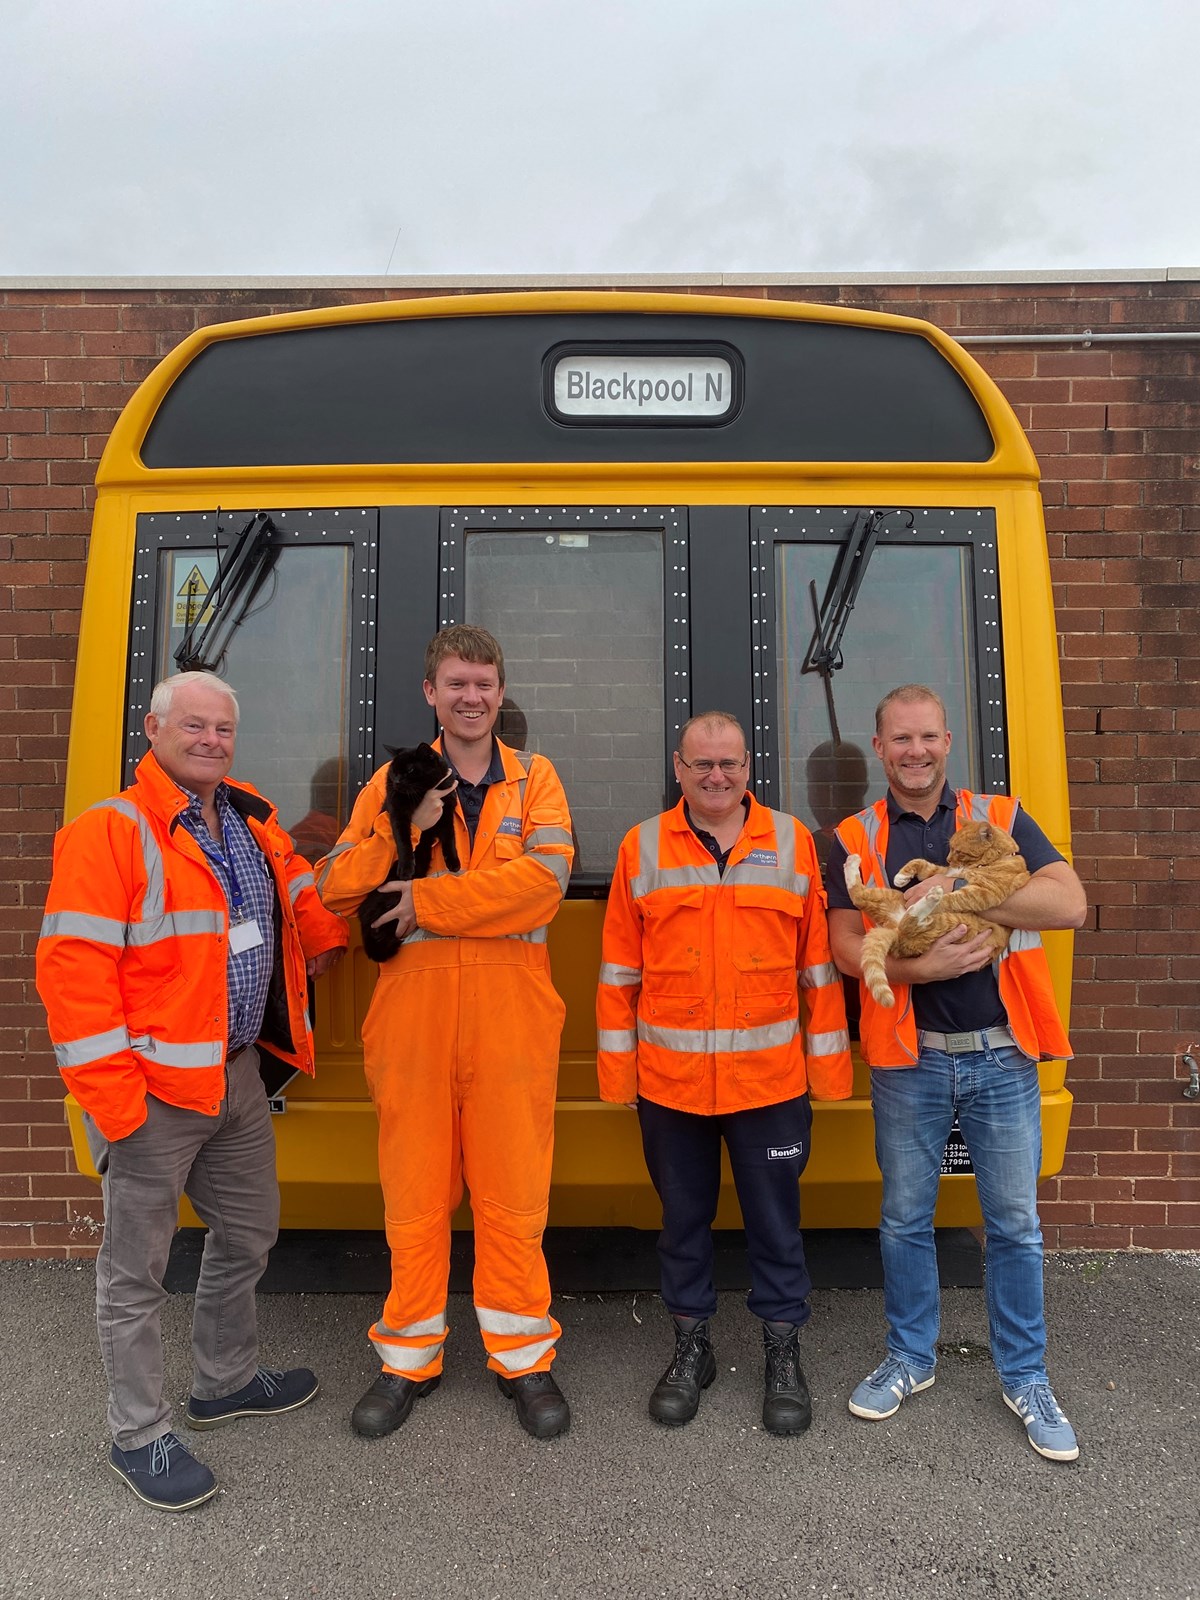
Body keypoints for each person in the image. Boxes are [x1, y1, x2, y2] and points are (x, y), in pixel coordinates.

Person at [36, 671, 348, 1512]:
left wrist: (323, 933)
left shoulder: (248, 818)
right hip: (153, 1093)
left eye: (223, 730)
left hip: (236, 1074)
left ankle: (225, 1380)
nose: (211, 741)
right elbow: (71, 975)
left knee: (248, 1231)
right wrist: (117, 1105)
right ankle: (137, 1436)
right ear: (154, 728)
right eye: (195, 727)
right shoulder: (112, 831)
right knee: (135, 1275)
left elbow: (291, 886)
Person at [316, 624, 575, 1441]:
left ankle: (523, 1358)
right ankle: (407, 1359)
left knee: (513, 1195)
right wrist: (402, 830)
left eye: (485, 684)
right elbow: (332, 887)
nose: (472, 697)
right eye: (456, 683)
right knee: (415, 1196)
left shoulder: (536, 780)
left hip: (511, 1022)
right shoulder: (393, 782)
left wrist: (426, 901)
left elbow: (544, 885)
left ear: (502, 694)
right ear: (430, 693)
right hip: (413, 1023)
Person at [825, 684, 1087, 1462]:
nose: (916, 752)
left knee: (1014, 1226)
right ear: (879, 748)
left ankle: (1026, 1376)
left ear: (948, 741)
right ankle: (911, 1358)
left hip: (1003, 1054)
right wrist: (919, 965)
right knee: (905, 1219)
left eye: (928, 738)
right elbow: (845, 947)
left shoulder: (999, 819)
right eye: (900, 740)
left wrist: (958, 892)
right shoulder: (851, 834)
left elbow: (1069, 902)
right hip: (908, 1062)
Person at [596, 711, 852, 1434]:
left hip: (769, 1085)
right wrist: (620, 1080)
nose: (716, 777)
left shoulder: (793, 842)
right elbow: (618, 976)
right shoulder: (640, 847)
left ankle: (782, 1351)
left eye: (730, 764)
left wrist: (828, 1074)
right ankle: (691, 1349)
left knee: (777, 1225)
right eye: (702, 764)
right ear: (678, 767)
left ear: (749, 768)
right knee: (683, 1224)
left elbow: (819, 970)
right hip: (670, 1086)